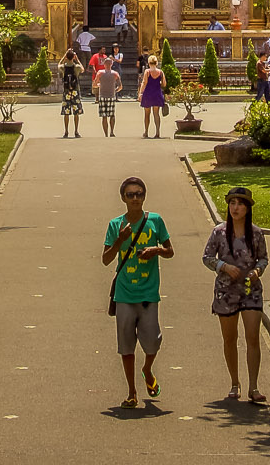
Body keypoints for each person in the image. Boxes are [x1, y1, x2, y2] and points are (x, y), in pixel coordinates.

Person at [101, 176, 174, 409]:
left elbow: (170, 251)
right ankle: (131, 392)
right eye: (130, 195)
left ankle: (147, 369)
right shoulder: (116, 225)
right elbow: (106, 259)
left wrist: (156, 250)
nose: (135, 198)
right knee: (126, 346)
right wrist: (120, 240)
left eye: (139, 194)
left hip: (148, 293)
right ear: (123, 198)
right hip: (124, 294)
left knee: (152, 342)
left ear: (144, 196)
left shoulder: (155, 221)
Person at [203, 185, 269, 403]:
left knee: (252, 337)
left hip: (250, 290)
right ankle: (234, 382)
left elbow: (263, 258)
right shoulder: (219, 232)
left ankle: (254, 386)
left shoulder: (256, 233)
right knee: (230, 338)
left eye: (240, 204)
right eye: (232, 203)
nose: (235, 208)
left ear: (248, 208)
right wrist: (223, 266)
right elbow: (207, 257)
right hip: (226, 291)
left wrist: (257, 271)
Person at [138, 53, 167, 138]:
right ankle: (157, 132)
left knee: (147, 114)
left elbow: (144, 83)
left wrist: (140, 93)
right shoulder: (160, 72)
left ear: (149, 63)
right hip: (157, 93)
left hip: (148, 94)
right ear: (156, 63)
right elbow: (164, 84)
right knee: (156, 114)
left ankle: (146, 132)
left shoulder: (147, 72)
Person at [60, 47, 84, 139]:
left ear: (67, 57)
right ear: (73, 57)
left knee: (66, 112)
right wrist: (77, 60)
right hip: (75, 91)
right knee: (76, 112)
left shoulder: (63, 67)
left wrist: (64, 57)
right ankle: (76, 131)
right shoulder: (76, 67)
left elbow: (59, 65)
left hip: (66, 91)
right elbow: (82, 69)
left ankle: (66, 131)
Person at [96, 55, 122, 137]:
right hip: (111, 95)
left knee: (104, 116)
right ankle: (112, 132)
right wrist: (115, 90)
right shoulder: (115, 74)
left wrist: (99, 85)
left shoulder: (100, 73)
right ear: (111, 64)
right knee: (112, 114)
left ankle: (106, 134)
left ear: (104, 64)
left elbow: (94, 84)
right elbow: (120, 86)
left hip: (102, 95)